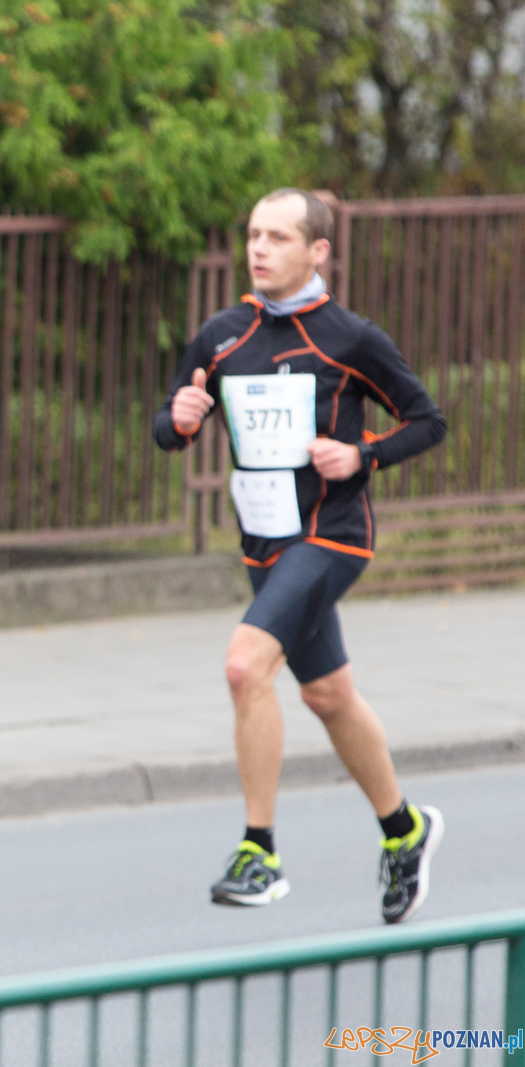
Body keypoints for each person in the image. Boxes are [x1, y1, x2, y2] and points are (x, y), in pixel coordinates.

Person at [153, 188, 447, 924]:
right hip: (264, 544)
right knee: (327, 695)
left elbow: (426, 419)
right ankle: (405, 830)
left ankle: (261, 852)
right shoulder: (222, 334)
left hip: (331, 536)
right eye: (253, 234)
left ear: (317, 251)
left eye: (278, 237)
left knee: (244, 664)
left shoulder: (349, 338)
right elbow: (169, 421)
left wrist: (362, 453)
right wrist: (178, 420)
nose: (259, 249)